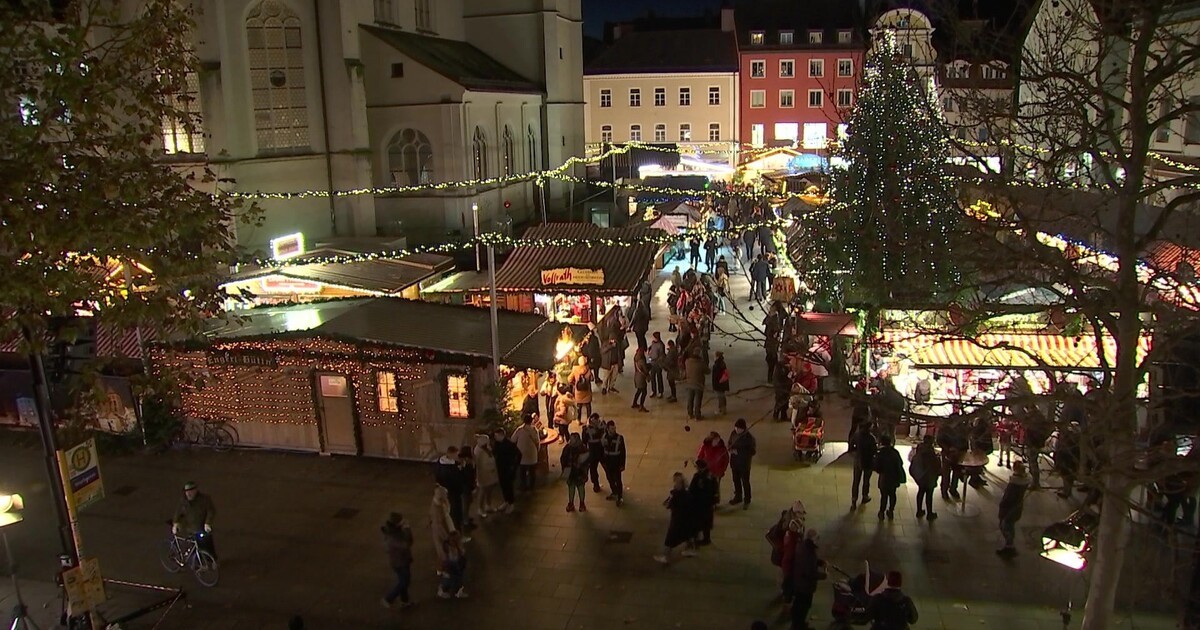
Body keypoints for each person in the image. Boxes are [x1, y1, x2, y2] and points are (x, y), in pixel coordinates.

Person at [654, 472, 697, 564]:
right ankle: (690, 549)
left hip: (677, 519)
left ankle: (666, 556)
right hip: (686, 518)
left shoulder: (676, 495)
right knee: (687, 534)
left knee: (670, 538)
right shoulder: (687, 493)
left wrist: (669, 501)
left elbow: (669, 505)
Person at [788, 529, 825, 630]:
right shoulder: (810, 553)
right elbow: (810, 573)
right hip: (805, 586)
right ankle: (798, 626)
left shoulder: (802, 546)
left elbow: (805, 564)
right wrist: (823, 575)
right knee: (803, 607)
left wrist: (818, 562)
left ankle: (797, 623)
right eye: (817, 538)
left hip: (798, 583)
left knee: (798, 605)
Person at [173, 481, 217, 560]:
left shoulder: (204, 499)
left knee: (208, 546)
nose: (188, 493)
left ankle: (213, 561)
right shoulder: (183, 501)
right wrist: (176, 523)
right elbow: (178, 513)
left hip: (202, 528)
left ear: (195, 490)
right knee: (194, 548)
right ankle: (197, 563)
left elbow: (211, 511)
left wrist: (207, 523)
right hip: (190, 528)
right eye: (187, 491)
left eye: (191, 491)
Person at [380, 512, 414, 610]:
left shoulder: (395, 531)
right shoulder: (392, 537)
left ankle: (405, 601)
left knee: (403, 581)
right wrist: (407, 529)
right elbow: (406, 544)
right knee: (404, 582)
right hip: (400, 563)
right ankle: (388, 598)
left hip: (402, 560)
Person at [996, 460, 1032, 556]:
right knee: (1010, 525)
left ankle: (1009, 546)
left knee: (1004, 525)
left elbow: (1008, 497)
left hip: (1009, 508)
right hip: (1017, 507)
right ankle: (1009, 544)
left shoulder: (1014, 484)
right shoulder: (1024, 482)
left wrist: (1002, 505)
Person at [434, 446, 466, 530]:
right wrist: (461, 469)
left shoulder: (441, 463)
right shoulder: (449, 469)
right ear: (450, 454)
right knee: (455, 513)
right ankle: (457, 531)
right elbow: (456, 480)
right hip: (453, 493)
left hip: (449, 492)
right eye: (456, 454)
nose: (457, 456)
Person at [874, 435, 906, 521]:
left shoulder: (881, 453)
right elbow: (900, 463)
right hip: (894, 477)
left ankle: (881, 512)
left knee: (883, 496)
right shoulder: (895, 452)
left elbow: (877, 467)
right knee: (892, 495)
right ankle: (891, 510)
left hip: (884, 478)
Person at [908, 435, 940, 520]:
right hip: (929, 477)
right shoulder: (930, 453)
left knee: (920, 492)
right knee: (929, 495)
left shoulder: (920, 449)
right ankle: (929, 514)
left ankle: (919, 510)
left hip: (920, 476)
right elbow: (935, 466)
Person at [688, 459, 719, 545]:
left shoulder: (699, 477)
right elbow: (715, 491)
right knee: (705, 523)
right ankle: (705, 538)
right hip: (707, 505)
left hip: (701, 504)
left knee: (700, 522)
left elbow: (693, 489)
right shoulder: (711, 476)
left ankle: (702, 539)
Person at [728, 418, 757, 509]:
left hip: (744, 464)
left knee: (745, 482)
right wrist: (730, 449)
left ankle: (747, 499)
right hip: (734, 462)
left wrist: (739, 452)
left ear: (743, 428)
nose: (736, 430)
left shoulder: (749, 438)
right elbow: (729, 442)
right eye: (736, 427)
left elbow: (752, 451)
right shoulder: (733, 433)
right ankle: (738, 496)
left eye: (738, 428)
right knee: (736, 480)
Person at [560, 433, 590, 512]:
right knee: (571, 487)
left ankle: (582, 503)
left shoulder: (582, 448)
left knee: (580, 488)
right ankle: (571, 503)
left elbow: (587, 461)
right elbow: (563, 458)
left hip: (579, 472)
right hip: (571, 472)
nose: (570, 440)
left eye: (572, 439)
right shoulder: (568, 448)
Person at [491, 429, 519, 513]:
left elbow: (518, 454)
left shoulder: (509, 444)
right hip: (500, 468)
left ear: (501, 435)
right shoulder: (497, 443)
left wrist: (513, 466)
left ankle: (511, 503)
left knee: (508, 486)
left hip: (508, 469)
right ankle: (506, 501)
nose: (495, 438)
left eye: (496, 436)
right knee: (503, 486)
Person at [430, 486, 457, 572]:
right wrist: (447, 537)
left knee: (445, 551)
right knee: (442, 551)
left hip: (446, 525)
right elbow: (439, 525)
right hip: (441, 532)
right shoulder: (436, 509)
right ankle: (443, 568)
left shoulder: (441, 502)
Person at [851, 424, 877, 510]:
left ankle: (854, 500)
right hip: (868, 462)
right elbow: (874, 450)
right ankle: (864, 496)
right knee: (866, 480)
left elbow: (851, 445)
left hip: (858, 461)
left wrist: (856, 453)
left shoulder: (857, 435)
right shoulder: (871, 438)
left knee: (856, 481)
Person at [697, 432, 730, 502]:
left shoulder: (722, 448)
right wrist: (701, 467)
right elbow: (700, 456)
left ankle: (715, 501)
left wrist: (722, 470)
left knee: (715, 487)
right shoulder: (705, 446)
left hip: (717, 472)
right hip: (707, 471)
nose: (717, 442)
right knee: (707, 487)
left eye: (718, 440)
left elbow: (726, 460)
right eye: (715, 440)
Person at [472, 434, 499, 518]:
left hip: (490, 473)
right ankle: (480, 509)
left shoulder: (487, 448)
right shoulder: (478, 451)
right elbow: (477, 464)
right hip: (482, 474)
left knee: (489, 489)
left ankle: (488, 505)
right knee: (482, 491)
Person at [601, 421, 627, 506]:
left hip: (616, 461)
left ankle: (620, 497)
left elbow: (623, 452)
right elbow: (602, 450)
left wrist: (622, 464)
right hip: (608, 462)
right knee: (610, 478)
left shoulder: (619, 438)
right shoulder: (604, 437)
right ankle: (614, 491)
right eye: (612, 428)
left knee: (618, 480)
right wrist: (603, 462)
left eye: (614, 428)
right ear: (608, 429)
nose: (614, 430)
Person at [512, 416, 541, 492]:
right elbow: (537, 442)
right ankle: (532, 487)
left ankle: (523, 486)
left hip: (521, 455)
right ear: (531, 421)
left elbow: (513, 439)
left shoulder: (519, 430)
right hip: (532, 454)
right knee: (532, 472)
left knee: (522, 472)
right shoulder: (534, 430)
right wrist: (537, 450)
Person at [437, 531, 469, 599]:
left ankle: (458, 591)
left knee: (458, 580)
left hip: (457, 566)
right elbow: (444, 561)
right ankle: (442, 590)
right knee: (449, 580)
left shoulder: (456, 547)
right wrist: (442, 569)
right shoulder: (447, 550)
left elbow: (461, 554)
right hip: (451, 567)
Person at [583, 413, 606, 493]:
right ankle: (595, 484)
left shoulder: (602, 426)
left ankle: (613, 483)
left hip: (602, 451)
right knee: (593, 469)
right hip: (592, 452)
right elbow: (584, 442)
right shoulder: (586, 429)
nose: (595, 423)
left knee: (608, 469)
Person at [684, 347, 708, 420]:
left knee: (690, 399)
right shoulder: (701, 363)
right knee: (698, 400)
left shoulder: (687, 361)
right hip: (699, 384)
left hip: (689, 383)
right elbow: (708, 371)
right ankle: (697, 415)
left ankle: (690, 414)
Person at [570, 356, 595, 421]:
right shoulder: (588, 369)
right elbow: (592, 379)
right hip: (587, 391)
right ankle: (589, 420)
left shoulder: (575, 369)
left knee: (579, 406)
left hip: (578, 391)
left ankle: (578, 420)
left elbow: (569, 379)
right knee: (588, 406)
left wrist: (574, 384)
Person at [648, 332, 666, 398]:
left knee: (659, 377)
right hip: (652, 363)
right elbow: (651, 348)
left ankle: (660, 391)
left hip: (658, 363)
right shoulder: (653, 343)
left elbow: (662, 355)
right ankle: (653, 390)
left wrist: (657, 360)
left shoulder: (661, 345)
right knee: (652, 377)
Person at [631, 346, 650, 412]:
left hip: (636, 377)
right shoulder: (641, 361)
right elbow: (645, 370)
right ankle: (641, 406)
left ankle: (634, 403)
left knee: (639, 391)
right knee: (644, 392)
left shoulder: (636, 358)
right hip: (641, 378)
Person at [711, 351, 730, 415]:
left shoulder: (717, 365)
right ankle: (722, 409)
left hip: (719, 383)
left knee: (720, 396)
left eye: (714, 356)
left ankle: (722, 410)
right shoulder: (722, 363)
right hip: (723, 383)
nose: (713, 357)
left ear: (717, 356)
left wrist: (714, 385)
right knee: (722, 396)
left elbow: (716, 376)